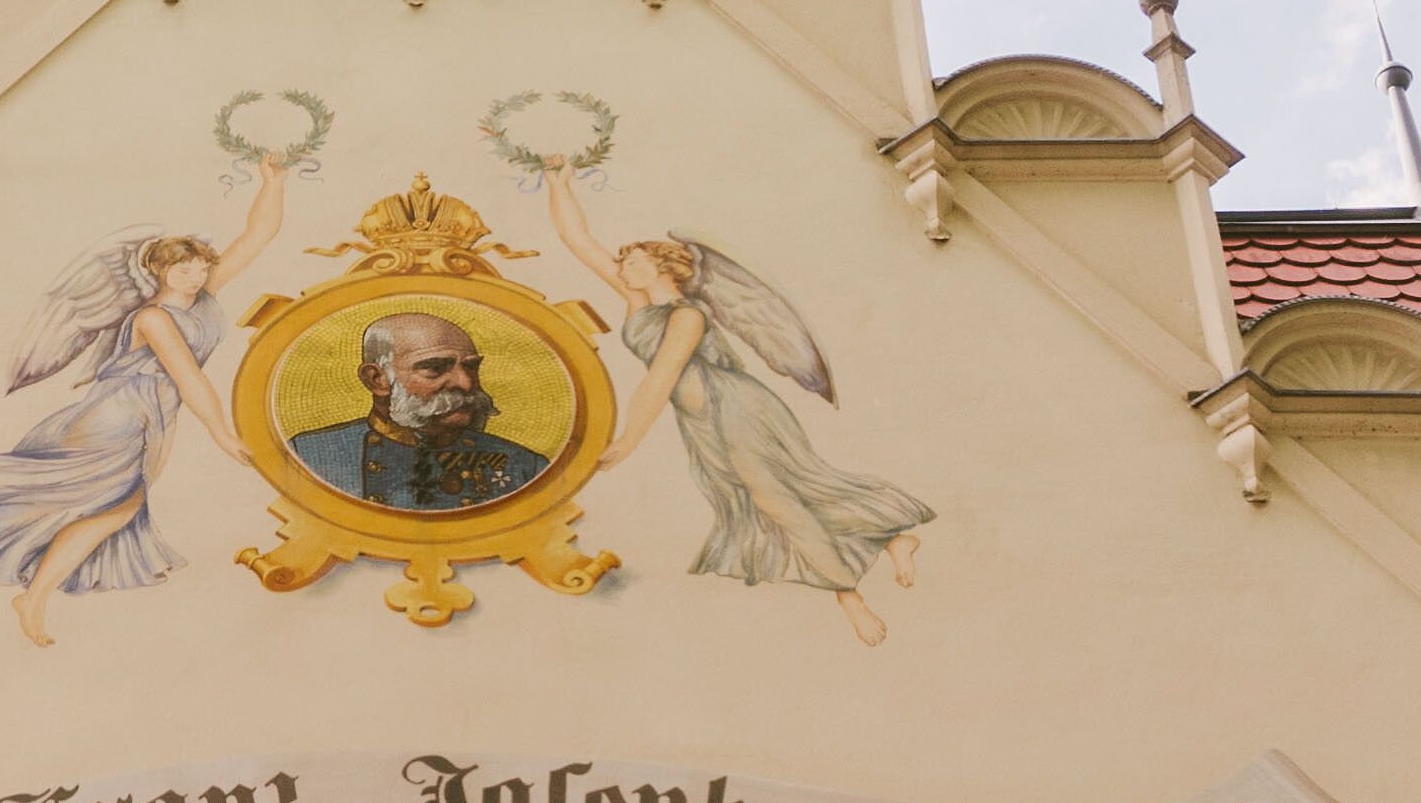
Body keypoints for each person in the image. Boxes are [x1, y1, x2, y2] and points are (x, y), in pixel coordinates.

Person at [0, 159, 295, 633]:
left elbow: (258, 235)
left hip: (152, 418)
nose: (194, 276)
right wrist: (221, 433)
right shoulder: (154, 319)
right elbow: (187, 375)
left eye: (199, 268)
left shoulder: (204, 296)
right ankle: (29, 595)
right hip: (118, 417)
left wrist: (274, 183)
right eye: (183, 270)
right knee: (109, 507)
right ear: (160, 272)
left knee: (78, 502)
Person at [542, 184, 936, 631]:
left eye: (633, 261)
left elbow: (662, 377)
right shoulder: (638, 302)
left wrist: (629, 439)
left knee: (775, 498)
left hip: (736, 409)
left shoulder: (688, 316)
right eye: (623, 263)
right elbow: (576, 238)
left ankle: (849, 594)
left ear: (661, 266)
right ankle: (894, 539)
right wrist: (559, 181)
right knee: (775, 497)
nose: (622, 268)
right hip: (702, 420)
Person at [287, 308, 553, 514]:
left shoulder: (526, 466)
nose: (466, 383)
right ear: (376, 379)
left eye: (471, 367)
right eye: (435, 368)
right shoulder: (304, 455)